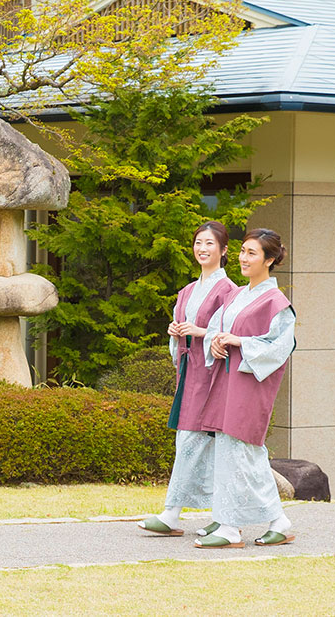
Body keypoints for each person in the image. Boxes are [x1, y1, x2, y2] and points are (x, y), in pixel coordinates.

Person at [193, 228, 297, 549]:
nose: (243, 258)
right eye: (242, 251)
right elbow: (215, 330)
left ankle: (232, 526)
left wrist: (240, 341)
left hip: (251, 385)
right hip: (229, 383)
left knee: (243, 452)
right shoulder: (236, 295)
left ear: (269, 260)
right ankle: (268, 522)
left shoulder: (276, 302)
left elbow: (281, 347)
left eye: (252, 253)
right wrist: (215, 343)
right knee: (237, 453)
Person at [139, 220, 237, 537]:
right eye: (198, 243)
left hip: (210, 377)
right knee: (196, 443)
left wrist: (201, 332)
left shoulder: (228, 291)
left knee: (194, 442)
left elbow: (232, 333)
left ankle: (173, 513)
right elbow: (182, 330)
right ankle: (217, 515)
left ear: (223, 250)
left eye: (209, 243)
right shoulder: (188, 291)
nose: (202, 249)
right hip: (189, 373)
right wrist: (175, 331)